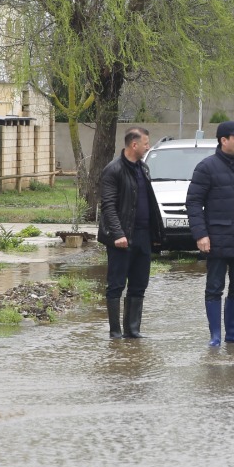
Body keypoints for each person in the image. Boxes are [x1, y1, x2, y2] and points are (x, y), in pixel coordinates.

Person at [187, 120, 234, 346]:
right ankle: (215, 336)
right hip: (218, 237)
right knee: (214, 287)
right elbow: (193, 203)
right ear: (223, 141)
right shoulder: (206, 167)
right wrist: (201, 235)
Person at [96, 126, 161, 339]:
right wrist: (118, 234)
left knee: (139, 284)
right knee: (116, 285)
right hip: (121, 239)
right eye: (145, 143)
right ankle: (115, 332)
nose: (147, 147)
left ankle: (133, 331)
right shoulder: (113, 170)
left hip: (143, 236)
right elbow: (108, 206)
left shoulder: (144, 169)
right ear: (134, 145)